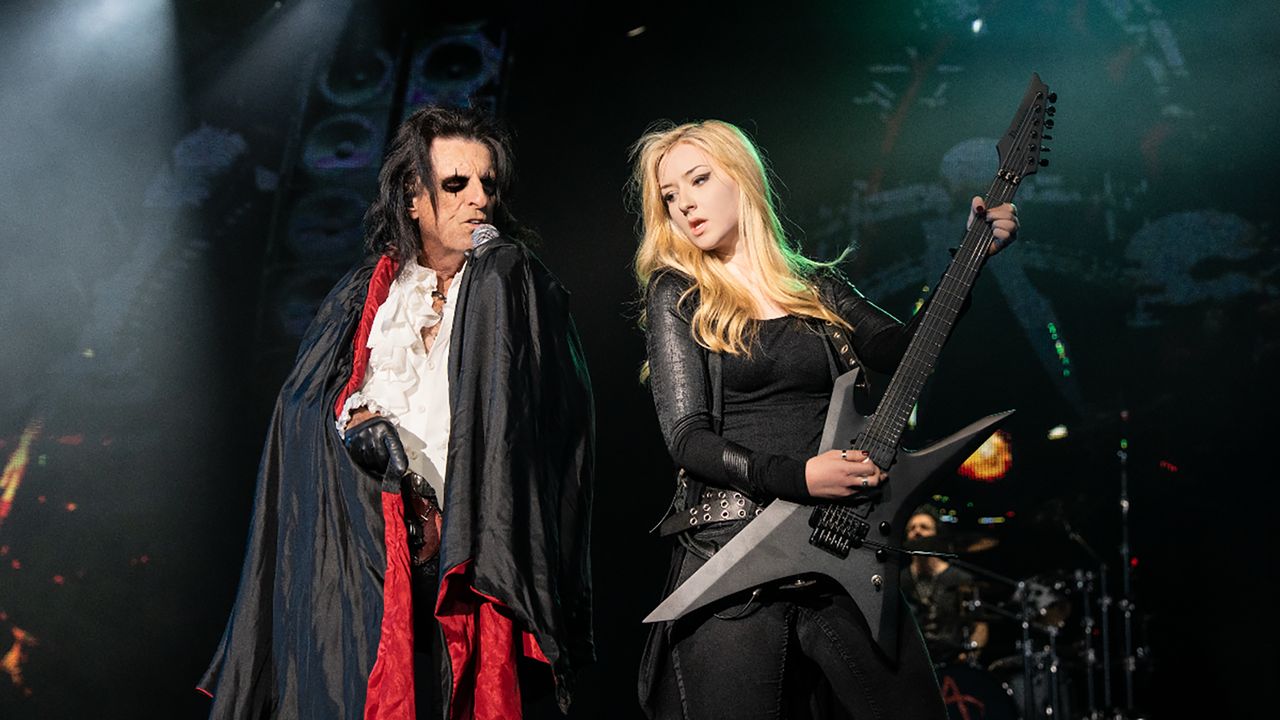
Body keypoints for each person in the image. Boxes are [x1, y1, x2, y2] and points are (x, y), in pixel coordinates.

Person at [198, 106, 595, 720]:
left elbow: (549, 421)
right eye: (456, 184)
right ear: (414, 198)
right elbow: (299, 412)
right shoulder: (368, 294)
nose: (478, 199)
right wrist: (353, 425)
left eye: (488, 184)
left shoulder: (511, 288)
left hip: (467, 564)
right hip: (369, 554)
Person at [630, 119, 1017, 720]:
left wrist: (968, 257)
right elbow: (688, 439)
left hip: (841, 550)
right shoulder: (678, 293)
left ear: (742, 178)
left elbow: (903, 350)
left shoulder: (814, 285)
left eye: (699, 180)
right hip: (735, 554)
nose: (684, 204)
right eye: (670, 196)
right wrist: (801, 477)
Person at [900, 506, 991, 667]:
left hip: (952, 665)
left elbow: (979, 625)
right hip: (913, 666)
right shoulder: (900, 580)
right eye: (912, 528)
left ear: (937, 535)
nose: (917, 532)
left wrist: (968, 659)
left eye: (924, 527)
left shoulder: (959, 578)